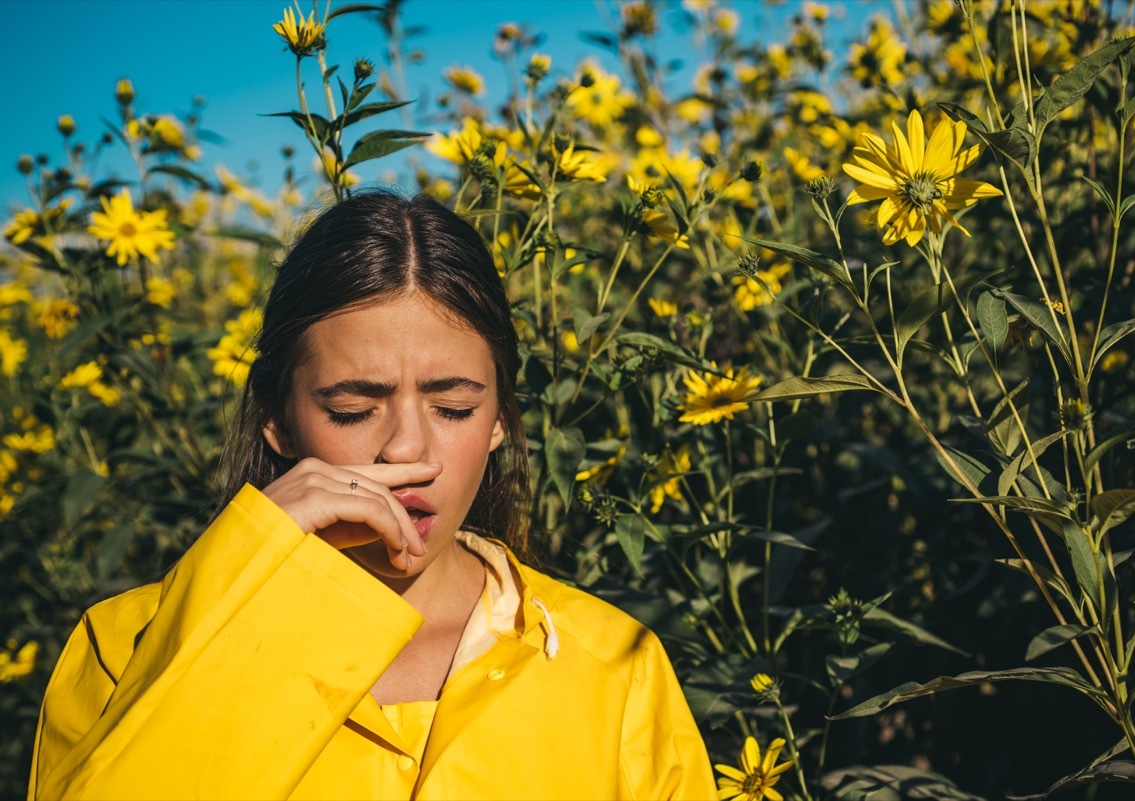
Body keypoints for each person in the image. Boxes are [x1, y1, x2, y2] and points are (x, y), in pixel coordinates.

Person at [28, 192, 718, 800]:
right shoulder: (124, 646)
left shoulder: (613, 664)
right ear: (276, 416)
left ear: (502, 417)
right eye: (354, 409)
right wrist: (245, 590)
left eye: (453, 407)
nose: (406, 451)